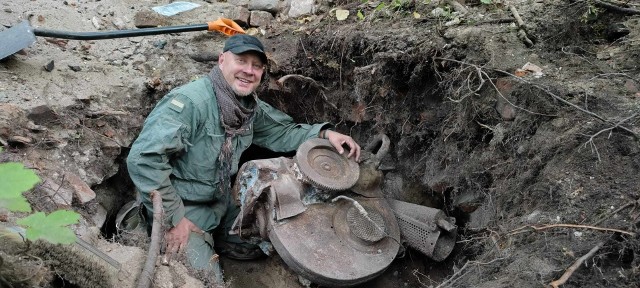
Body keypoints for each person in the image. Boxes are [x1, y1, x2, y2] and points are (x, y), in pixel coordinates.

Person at [126, 34, 361, 274]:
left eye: (256, 66)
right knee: (203, 277)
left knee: (268, 242)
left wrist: (324, 134)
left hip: (219, 201)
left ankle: (220, 239)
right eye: (241, 61)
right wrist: (175, 220)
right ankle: (156, 231)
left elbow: (282, 132)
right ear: (221, 61)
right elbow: (144, 160)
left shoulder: (247, 107)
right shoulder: (190, 103)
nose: (248, 70)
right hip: (181, 205)